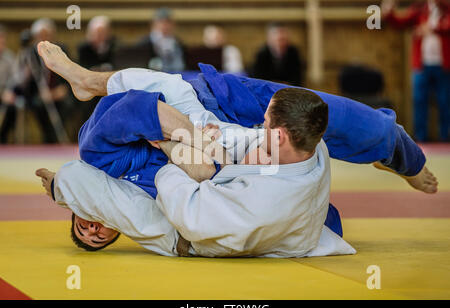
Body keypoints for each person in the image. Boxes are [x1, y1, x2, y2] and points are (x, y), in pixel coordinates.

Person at [35, 41, 437, 256]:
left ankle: (88, 80)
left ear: (78, 209)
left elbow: (134, 108)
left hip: (209, 102)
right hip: (238, 148)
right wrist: (192, 158)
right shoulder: (142, 207)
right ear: (113, 228)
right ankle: (388, 151)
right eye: (95, 236)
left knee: (340, 115)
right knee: (322, 131)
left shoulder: (96, 155)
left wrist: (187, 139)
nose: (91, 228)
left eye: (81, 224)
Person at [382, 0, 450, 142]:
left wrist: (431, 28)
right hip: (421, 65)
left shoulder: (446, 9)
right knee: (419, 101)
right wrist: (389, 12)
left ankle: (446, 137)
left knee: (445, 102)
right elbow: (400, 23)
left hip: (444, 65)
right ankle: (421, 138)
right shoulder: (420, 9)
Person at [1, 19, 73, 143]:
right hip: (36, 95)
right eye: (40, 36)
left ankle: (57, 140)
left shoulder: (61, 51)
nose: (43, 39)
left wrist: (60, 90)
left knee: (68, 104)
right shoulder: (29, 53)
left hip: (58, 93)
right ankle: (48, 139)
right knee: (38, 105)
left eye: (47, 35)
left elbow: (70, 74)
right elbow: (19, 81)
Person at [137, 7, 185, 72]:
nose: (165, 25)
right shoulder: (144, 43)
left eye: (168, 22)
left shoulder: (178, 43)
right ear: (153, 24)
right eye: (161, 22)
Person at [0, 24, 16, 143]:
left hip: (6, 95)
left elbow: (14, 79)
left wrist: (9, 91)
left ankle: (3, 139)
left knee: (12, 107)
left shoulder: (9, 57)